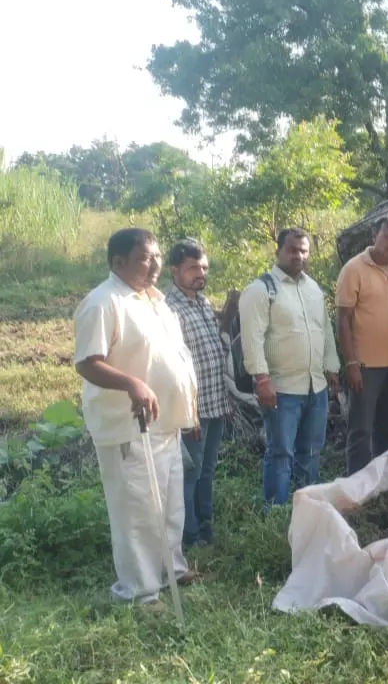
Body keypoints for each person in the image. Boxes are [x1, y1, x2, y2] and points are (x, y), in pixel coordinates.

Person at [73, 228, 198, 603]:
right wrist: (132, 384)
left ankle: (170, 570)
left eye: (158, 255)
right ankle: (140, 592)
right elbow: (87, 362)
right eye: (146, 257)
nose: (156, 263)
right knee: (137, 512)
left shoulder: (155, 301)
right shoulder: (103, 302)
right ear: (118, 262)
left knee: (170, 506)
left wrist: (187, 410)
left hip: (166, 423)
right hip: (130, 428)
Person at [239, 228, 340, 507]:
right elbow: (252, 339)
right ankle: (277, 512)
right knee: (281, 453)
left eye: (304, 250)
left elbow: (326, 329)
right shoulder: (261, 289)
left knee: (311, 451)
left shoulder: (313, 288)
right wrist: (262, 380)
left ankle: (308, 510)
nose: (299, 256)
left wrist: (332, 366)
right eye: (292, 250)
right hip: (282, 389)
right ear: (279, 252)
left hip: (315, 386)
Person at [336, 216, 388, 473]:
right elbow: (343, 320)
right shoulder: (353, 270)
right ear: (375, 235)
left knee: (387, 424)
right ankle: (357, 485)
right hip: (365, 365)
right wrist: (350, 363)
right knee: (361, 429)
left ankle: (382, 481)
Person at [164, 239, 231, 548]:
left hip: (216, 402)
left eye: (203, 267)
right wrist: (187, 413)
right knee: (188, 474)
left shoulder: (202, 302)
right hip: (192, 408)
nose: (199, 273)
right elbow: (172, 366)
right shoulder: (169, 309)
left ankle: (206, 526)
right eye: (192, 268)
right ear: (174, 269)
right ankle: (188, 535)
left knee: (207, 470)